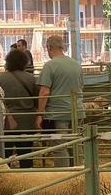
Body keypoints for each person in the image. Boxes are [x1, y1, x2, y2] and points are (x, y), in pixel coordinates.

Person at [36, 35, 85, 168]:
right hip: (78, 110)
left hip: (58, 112)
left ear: (49, 47)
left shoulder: (50, 66)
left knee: (60, 145)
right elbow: (81, 87)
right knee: (76, 142)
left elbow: (44, 92)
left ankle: (64, 176)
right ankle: (80, 171)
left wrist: (39, 114)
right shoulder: (76, 64)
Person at [0, 50, 37, 167]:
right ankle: (26, 178)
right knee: (25, 152)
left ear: (8, 62)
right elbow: (36, 99)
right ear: (24, 62)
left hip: (6, 122)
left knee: (5, 153)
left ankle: (6, 178)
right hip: (27, 121)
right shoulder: (31, 78)